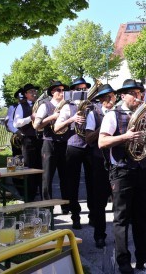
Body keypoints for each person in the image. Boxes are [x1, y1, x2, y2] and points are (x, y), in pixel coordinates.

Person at [98, 79, 146, 273]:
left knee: (141, 217)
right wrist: (125, 137)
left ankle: (143, 258)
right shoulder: (113, 114)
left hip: (141, 169)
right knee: (121, 219)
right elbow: (101, 141)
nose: (138, 97)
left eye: (139, 93)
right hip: (121, 171)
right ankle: (123, 261)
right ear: (123, 95)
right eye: (133, 94)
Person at [54, 78, 93, 229]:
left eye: (84, 89)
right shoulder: (67, 107)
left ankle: (93, 214)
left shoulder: (92, 106)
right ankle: (75, 215)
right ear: (73, 91)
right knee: (73, 183)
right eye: (79, 89)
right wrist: (71, 119)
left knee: (92, 182)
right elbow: (56, 128)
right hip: (74, 146)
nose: (82, 91)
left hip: (90, 146)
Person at [84, 84, 115, 248]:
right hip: (99, 161)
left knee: (119, 202)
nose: (111, 100)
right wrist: (103, 128)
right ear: (102, 99)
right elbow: (88, 138)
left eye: (112, 96)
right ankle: (100, 235)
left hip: (116, 160)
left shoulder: (118, 113)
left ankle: (119, 235)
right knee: (99, 201)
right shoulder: (93, 113)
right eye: (107, 97)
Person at [33, 80, 71, 206]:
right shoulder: (45, 105)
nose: (62, 92)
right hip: (49, 144)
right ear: (52, 92)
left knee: (65, 177)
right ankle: (47, 207)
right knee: (47, 177)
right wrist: (52, 117)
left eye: (63, 90)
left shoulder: (67, 106)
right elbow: (36, 126)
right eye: (59, 90)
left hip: (64, 143)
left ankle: (66, 206)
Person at [13, 83, 42, 200]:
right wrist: (31, 117)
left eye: (35, 91)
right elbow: (16, 123)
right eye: (31, 92)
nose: (34, 93)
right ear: (25, 94)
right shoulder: (21, 106)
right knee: (29, 167)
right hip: (28, 140)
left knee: (39, 167)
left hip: (39, 138)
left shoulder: (39, 105)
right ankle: (29, 196)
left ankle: (37, 193)